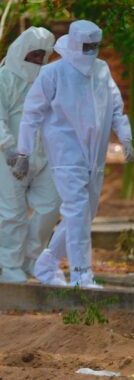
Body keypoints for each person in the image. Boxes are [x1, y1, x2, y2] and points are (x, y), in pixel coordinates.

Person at [14, 20, 133, 288]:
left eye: (95, 46)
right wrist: (24, 152)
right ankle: (81, 274)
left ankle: (46, 262)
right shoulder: (53, 73)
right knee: (78, 211)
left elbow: (115, 107)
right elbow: (31, 115)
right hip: (65, 154)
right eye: (87, 46)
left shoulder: (101, 70)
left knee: (84, 213)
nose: (91, 52)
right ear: (75, 43)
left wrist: (125, 136)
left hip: (95, 155)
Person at [0, 27, 61, 283]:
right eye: (33, 55)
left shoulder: (47, 79)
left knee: (51, 205)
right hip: (8, 156)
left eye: (41, 57)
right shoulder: (4, 78)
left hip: (43, 154)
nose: (37, 61)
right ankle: (9, 264)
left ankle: (32, 258)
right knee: (13, 212)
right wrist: (9, 147)